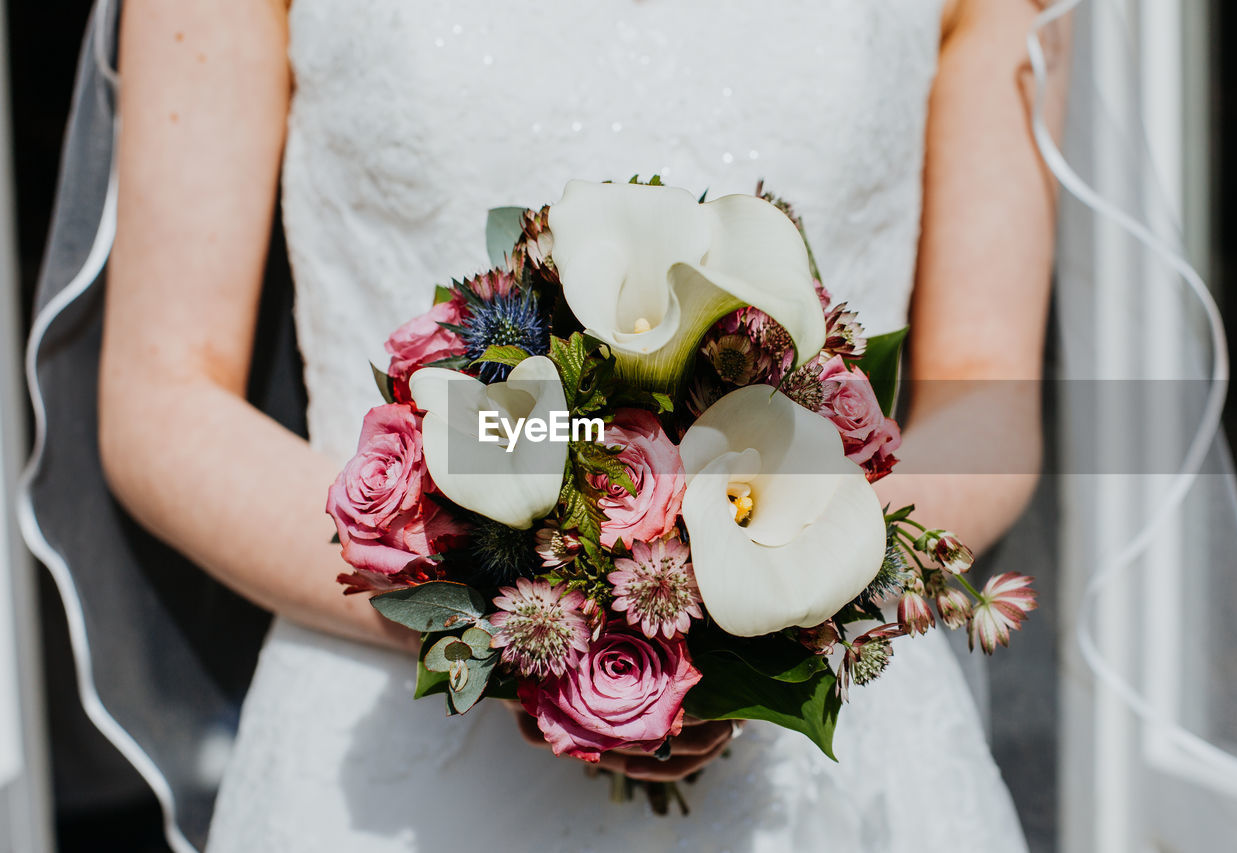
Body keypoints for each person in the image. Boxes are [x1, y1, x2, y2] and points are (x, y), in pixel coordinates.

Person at [98, 0, 1066, 849]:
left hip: (834, 772)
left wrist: (788, 585)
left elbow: (982, 392)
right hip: (387, 752)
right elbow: (163, 395)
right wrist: (526, 605)